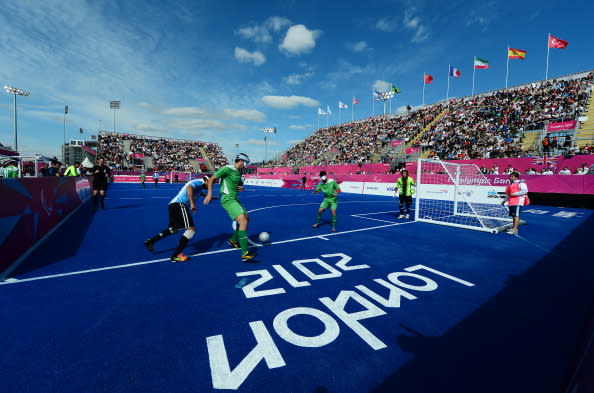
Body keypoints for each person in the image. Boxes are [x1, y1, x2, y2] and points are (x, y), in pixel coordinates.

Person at [204, 153, 257, 262]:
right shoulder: (227, 169)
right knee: (243, 221)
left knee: (247, 218)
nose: (245, 166)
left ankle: (233, 240)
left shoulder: (239, 172)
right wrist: (209, 194)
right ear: (241, 161)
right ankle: (245, 253)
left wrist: (240, 188)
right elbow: (211, 179)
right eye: (245, 163)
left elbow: (237, 186)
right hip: (228, 199)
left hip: (235, 198)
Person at [144, 176, 210, 262]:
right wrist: (192, 203)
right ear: (206, 180)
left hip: (173, 205)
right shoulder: (199, 182)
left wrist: (207, 195)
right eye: (210, 183)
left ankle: (150, 241)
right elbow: (189, 187)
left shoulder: (200, 186)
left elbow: (198, 192)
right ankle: (176, 255)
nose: (211, 186)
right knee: (191, 230)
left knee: (173, 230)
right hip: (180, 205)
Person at [501, 171, 529, 235]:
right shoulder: (511, 184)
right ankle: (513, 228)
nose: (510, 178)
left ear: (516, 177)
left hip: (518, 202)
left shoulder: (521, 183)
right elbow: (508, 194)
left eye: (512, 176)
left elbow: (525, 191)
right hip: (512, 202)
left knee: (516, 216)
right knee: (513, 216)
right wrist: (504, 201)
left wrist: (514, 194)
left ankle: (515, 230)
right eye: (510, 176)